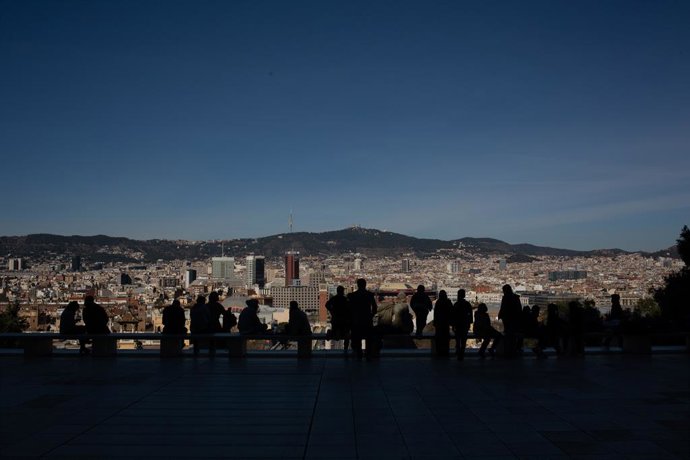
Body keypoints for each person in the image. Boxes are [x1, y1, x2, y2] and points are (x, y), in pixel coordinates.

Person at [347, 278, 378, 360]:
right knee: (368, 339)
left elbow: (349, 308)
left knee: (357, 338)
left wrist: (352, 317)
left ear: (357, 285)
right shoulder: (370, 295)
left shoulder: (352, 296)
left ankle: (359, 355)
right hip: (367, 320)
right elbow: (375, 307)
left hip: (356, 320)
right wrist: (371, 315)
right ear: (365, 285)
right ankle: (368, 354)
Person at [325, 285, 351, 354]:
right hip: (344, 320)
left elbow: (326, 304)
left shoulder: (334, 298)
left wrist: (331, 311)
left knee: (335, 331)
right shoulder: (345, 299)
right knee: (346, 334)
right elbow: (349, 309)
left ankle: (330, 333)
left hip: (335, 319)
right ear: (342, 291)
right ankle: (345, 349)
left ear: (337, 291)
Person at [498, 284, 522, 357]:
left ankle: (508, 351)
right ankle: (513, 351)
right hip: (514, 320)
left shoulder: (505, 298)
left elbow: (503, 308)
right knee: (513, 336)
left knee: (508, 336)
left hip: (507, 320)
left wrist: (500, 316)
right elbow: (519, 309)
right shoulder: (516, 297)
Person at [452, 289, 473, 360]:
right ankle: (462, 354)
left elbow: (453, 315)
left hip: (458, 325)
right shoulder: (467, 304)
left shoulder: (456, 304)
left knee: (458, 340)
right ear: (464, 295)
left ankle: (458, 353)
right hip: (465, 324)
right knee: (463, 340)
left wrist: (453, 325)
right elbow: (470, 315)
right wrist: (469, 323)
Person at [433, 290, 452, 357]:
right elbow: (451, 312)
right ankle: (445, 351)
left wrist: (435, 322)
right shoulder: (448, 302)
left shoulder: (438, 302)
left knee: (439, 338)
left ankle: (439, 352)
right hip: (446, 323)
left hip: (439, 323)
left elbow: (435, 313)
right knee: (446, 338)